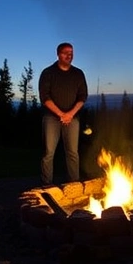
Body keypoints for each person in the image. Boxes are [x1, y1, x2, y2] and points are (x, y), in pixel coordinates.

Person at [38, 42, 88, 185]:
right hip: (51, 118)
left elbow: (83, 96)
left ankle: (74, 184)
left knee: (73, 153)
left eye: (71, 52)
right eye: (66, 52)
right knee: (48, 153)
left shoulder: (78, 74)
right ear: (58, 54)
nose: (69, 55)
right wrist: (61, 114)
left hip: (72, 118)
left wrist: (70, 114)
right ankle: (46, 186)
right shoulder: (48, 73)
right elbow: (45, 97)